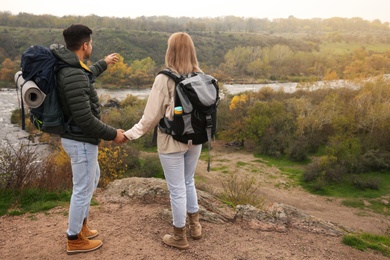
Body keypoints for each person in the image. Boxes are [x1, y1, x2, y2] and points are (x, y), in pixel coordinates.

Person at [122, 32, 203, 250]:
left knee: (176, 188)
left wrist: (129, 134)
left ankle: (179, 236)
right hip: (196, 139)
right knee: (188, 181)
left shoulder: (164, 79)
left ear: (170, 51)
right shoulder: (201, 76)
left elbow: (150, 117)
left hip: (171, 141)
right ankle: (195, 226)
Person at [50, 24, 125, 255]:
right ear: (85, 45)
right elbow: (84, 118)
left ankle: (81, 227)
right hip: (80, 139)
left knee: (93, 178)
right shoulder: (73, 73)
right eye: (90, 43)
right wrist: (114, 134)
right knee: (82, 189)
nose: (91, 46)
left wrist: (104, 62)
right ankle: (74, 239)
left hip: (79, 139)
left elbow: (85, 75)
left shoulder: (71, 67)